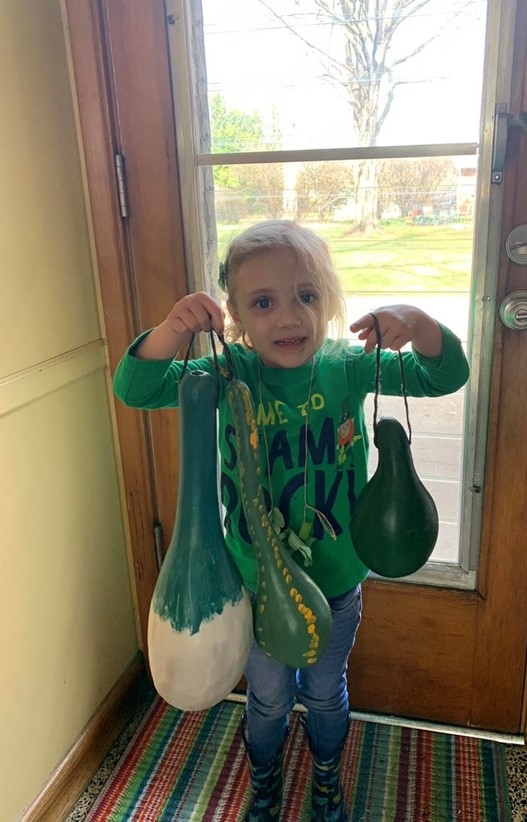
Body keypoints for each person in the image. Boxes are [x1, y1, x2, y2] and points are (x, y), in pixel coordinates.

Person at [113, 219, 469, 822]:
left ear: (328, 301)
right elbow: (136, 387)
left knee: (325, 692)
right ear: (235, 317)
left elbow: (444, 376)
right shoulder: (226, 375)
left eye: (307, 296)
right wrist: (173, 329)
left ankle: (326, 772)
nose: (288, 317)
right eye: (263, 303)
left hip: (336, 581)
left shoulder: (349, 367)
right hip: (253, 585)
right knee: (270, 699)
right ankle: (266, 775)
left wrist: (420, 322)